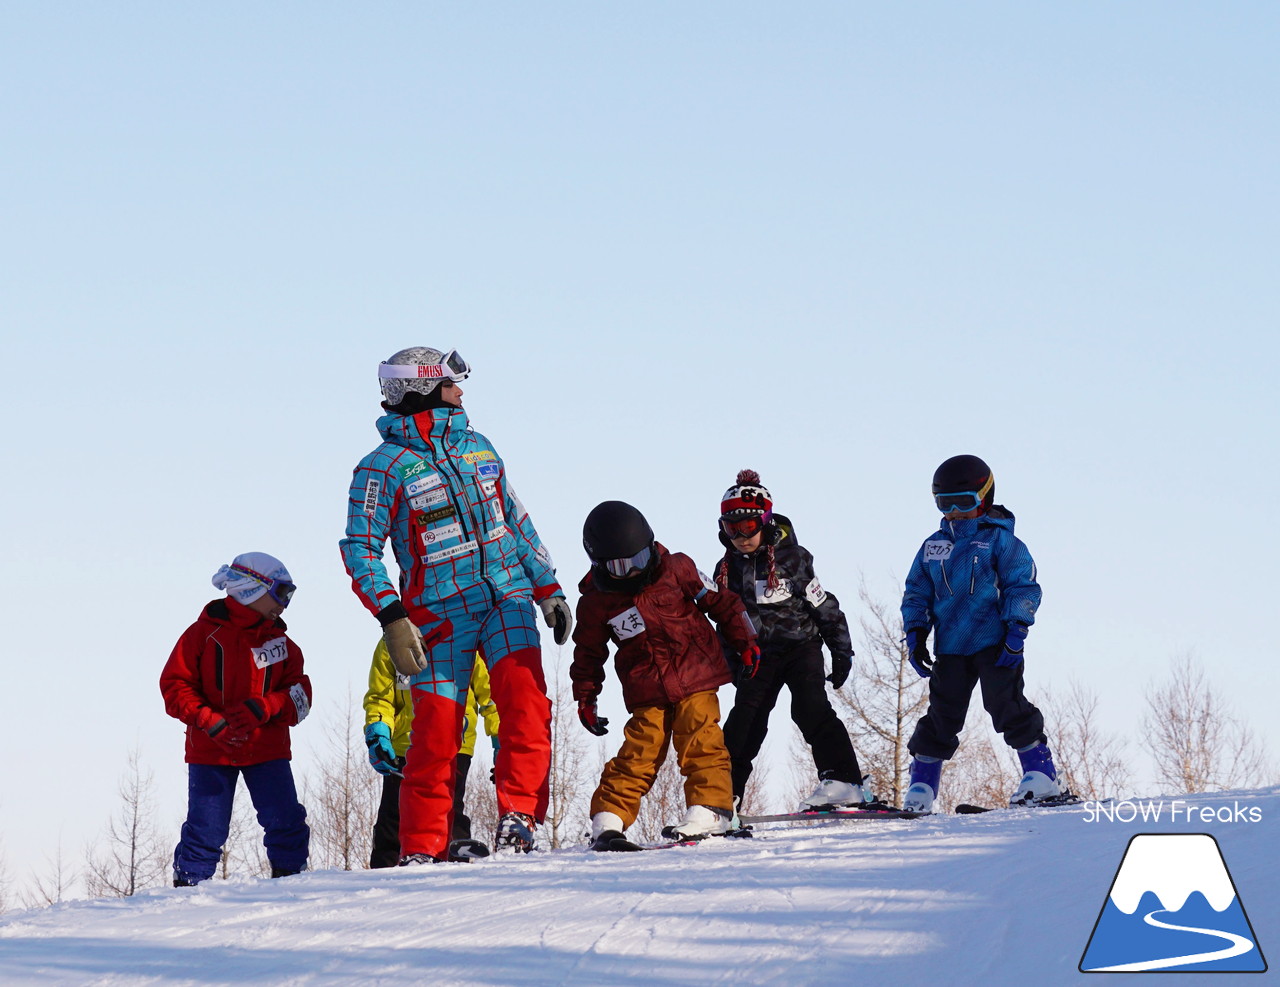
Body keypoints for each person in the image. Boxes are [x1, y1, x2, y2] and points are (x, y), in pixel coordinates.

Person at [340, 347, 572, 862]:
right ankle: (422, 847)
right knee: (437, 731)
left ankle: (519, 819)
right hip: (438, 614)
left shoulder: (479, 448)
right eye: (451, 385)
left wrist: (547, 587)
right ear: (422, 389)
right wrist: (391, 616)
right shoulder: (380, 468)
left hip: (507, 597)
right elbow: (360, 549)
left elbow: (514, 521)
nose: (461, 393)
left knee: (526, 704)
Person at [570, 501, 759, 848]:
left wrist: (745, 640)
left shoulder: (678, 569)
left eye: (638, 561)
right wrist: (586, 696)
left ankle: (711, 809)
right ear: (598, 564)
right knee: (639, 752)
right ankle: (609, 819)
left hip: (696, 673)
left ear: (651, 548)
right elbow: (587, 655)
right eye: (619, 567)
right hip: (647, 689)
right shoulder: (597, 602)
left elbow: (724, 603)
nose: (631, 573)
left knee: (700, 737)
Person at [900, 454, 1061, 812]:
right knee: (943, 712)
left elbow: (1023, 586)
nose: (955, 512)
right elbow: (916, 592)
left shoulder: (1001, 542)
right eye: (946, 504)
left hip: (995, 642)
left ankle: (1041, 774)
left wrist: (1017, 628)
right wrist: (915, 632)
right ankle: (922, 786)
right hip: (951, 648)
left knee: (1005, 704)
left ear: (983, 499)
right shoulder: (932, 547)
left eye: (964, 503)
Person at [714, 470, 869, 811]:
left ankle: (843, 780)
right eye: (731, 528)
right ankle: (722, 797)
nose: (741, 536)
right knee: (744, 722)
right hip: (757, 656)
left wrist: (841, 649)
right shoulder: (726, 570)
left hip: (801, 647)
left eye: (748, 527)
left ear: (765, 522)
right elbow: (725, 624)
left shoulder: (792, 559)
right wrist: (733, 665)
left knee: (810, 707)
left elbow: (822, 604)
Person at [160, 552, 312, 886]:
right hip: (211, 750)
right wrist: (208, 720)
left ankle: (290, 881)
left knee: (285, 819)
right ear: (251, 590)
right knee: (206, 826)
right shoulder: (200, 636)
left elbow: (301, 697)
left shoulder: (284, 646)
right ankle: (189, 885)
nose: (285, 604)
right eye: (281, 593)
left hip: (267, 749)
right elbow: (174, 686)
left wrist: (267, 706)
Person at [364, 643, 501, 867]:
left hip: (454, 742)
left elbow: (491, 696)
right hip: (404, 745)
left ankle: (455, 862)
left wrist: (501, 741)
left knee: (449, 806)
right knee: (393, 814)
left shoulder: (465, 636)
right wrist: (379, 732)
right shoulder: (392, 642)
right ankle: (385, 875)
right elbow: (381, 697)